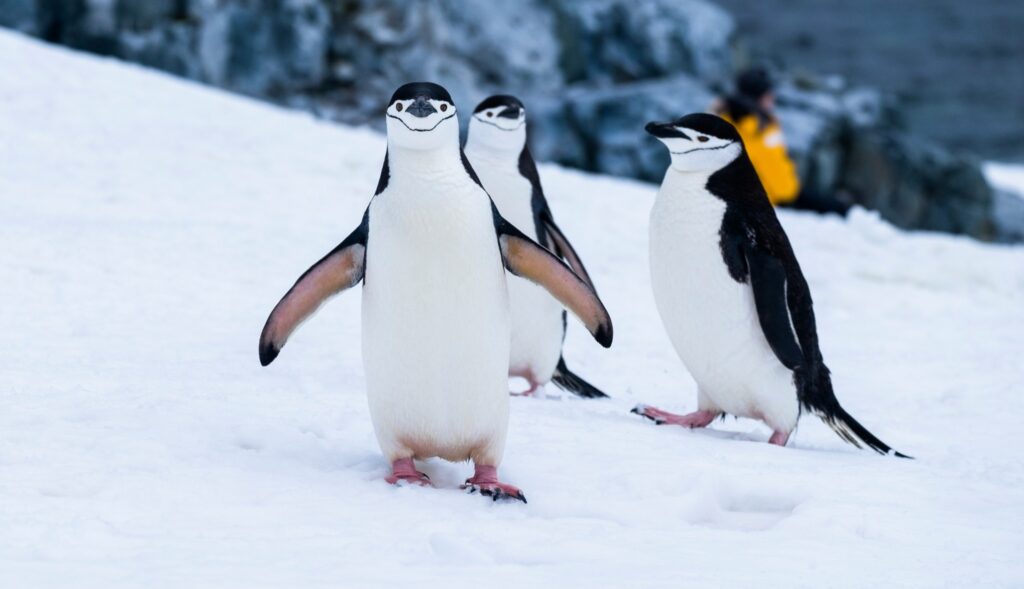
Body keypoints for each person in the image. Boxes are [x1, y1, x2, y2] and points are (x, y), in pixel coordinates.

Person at [714, 68, 851, 216]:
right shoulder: (745, 128)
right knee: (837, 208)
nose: (772, 98)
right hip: (772, 200)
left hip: (785, 192)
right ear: (757, 97)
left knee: (835, 205)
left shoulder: (761, 123)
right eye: (768, 94)